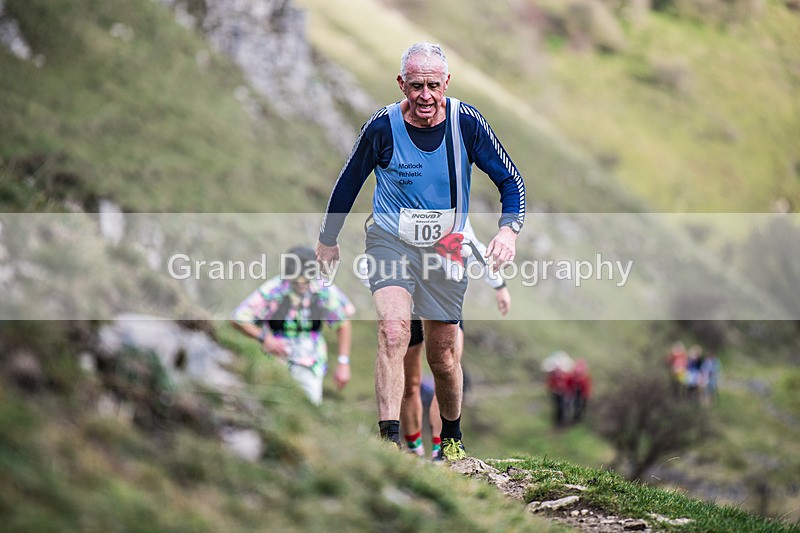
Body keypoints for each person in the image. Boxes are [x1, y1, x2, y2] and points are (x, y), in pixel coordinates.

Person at [317, 42, 525, 460]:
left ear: (446, 83)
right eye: (416, 86)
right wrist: (328, 238)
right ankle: (390, 443)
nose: (426, 96)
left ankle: (451, 439)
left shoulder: (467, 123)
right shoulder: (382, 126)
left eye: (434, 85)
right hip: (390, 240)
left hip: (445, 247)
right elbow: (349, 182)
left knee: (443, 356)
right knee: (393, 332)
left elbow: (511, 180)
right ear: (401, 84)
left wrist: (508, 231)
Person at [400, 218, 512, 459]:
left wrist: (499, 285)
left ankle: (441, 452)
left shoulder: (453, 207)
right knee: (410, 383)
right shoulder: (400, 199)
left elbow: (474, 246)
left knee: (447, 371)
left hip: (442, 297)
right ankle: (414, 451)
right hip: (408, 300)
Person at [230, 245, 354, 405]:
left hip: (310, 363)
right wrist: (265, 338)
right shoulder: (274, 289)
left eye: (306, 278)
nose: (302, 283)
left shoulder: (324, 290)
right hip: (274, 361)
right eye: (297, 279)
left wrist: (343, 363)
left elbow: (342, 323)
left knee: (310, 408)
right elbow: (238, 318)